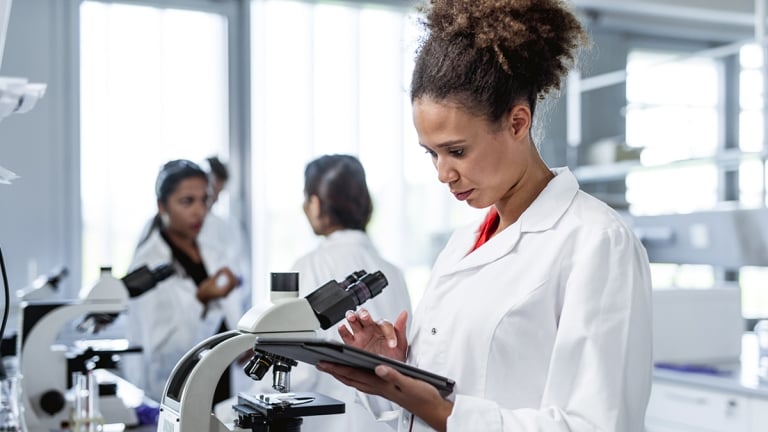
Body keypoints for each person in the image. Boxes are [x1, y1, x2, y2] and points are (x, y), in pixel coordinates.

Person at [316, 1, 653, 432]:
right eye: (431, 154)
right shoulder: (462, 245)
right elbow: (453, 388)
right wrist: (395, 370)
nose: (443, 173)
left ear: (517, 123)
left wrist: (443, 412)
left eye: (456, 150)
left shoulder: (597, 242)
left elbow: (596, 424)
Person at [288, 154, 413, 431]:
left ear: (316, 204)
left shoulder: (309, 266)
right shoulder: (392, 272)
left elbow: (297, 373)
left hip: (327, 423)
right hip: (387, 422)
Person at [123, 159, 243, 405]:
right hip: (175, 389)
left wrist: (241, 341)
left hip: (219, 381)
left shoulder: (212, 251)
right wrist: (201, 299)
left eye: (205, 199)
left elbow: (226, 318)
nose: (200, 211)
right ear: (162, 206)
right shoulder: (146, 267)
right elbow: (161, 354)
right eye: (187, 201)